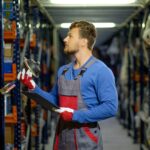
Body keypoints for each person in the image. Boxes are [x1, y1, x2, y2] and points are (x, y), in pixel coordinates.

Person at [18, 21, 118, 150]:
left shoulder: (101, 71)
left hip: (86, 140)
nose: (65, 39)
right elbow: (55, 102)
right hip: (62, 138)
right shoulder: (63, 71)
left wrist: (75, 115)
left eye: (70, 36)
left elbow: (110, 107)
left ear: (83, 41)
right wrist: (33, 87)